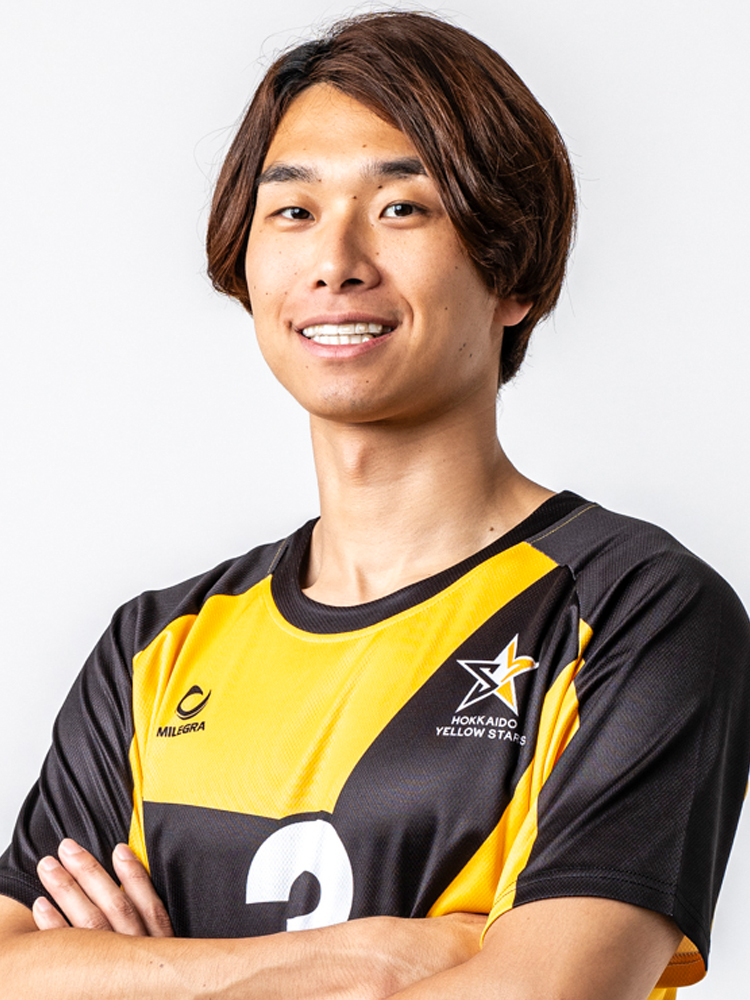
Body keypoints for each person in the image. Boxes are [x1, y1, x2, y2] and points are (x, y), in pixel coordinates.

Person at [0, 10, 748, 999]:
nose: (336, 261)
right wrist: (365, 963)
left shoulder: (635, 609)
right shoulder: (156, 646)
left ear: (514, 273)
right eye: (292, 211)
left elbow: (537, 992)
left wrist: (137, 974)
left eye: (402, 208)